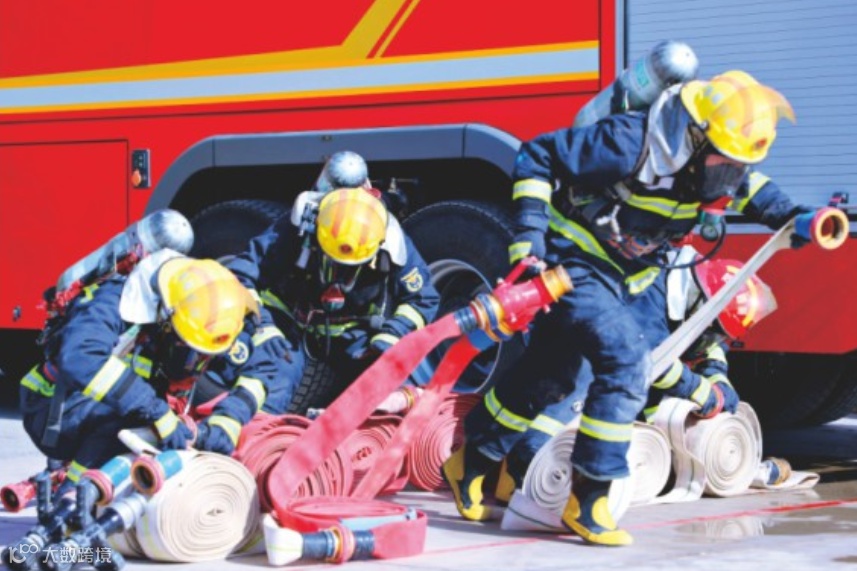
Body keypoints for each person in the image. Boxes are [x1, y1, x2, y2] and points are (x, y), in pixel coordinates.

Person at [443, 69, 822, 546]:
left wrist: (794, 217)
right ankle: (590, 497)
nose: (730, 176)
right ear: (695, 138)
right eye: (724, 163)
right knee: (626, 364)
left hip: (627, 277)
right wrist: (529, 235)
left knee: (551, 374)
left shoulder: (716, 164)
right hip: (574, 262)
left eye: (737, 166)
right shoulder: (627, 143)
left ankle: (471, 461)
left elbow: (751, 187)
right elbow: (537, 156)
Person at [492, 249, 778, 502]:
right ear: (700, 304)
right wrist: (703, 393)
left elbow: (708, 344)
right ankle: (523, 465)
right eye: (714, 330)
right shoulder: (651, 298)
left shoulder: (691, 299)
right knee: (584, 387)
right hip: (571, 355)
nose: (713, 339)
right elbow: (650, 361)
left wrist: (717, 376)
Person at [19, 251, 288, 490]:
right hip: (53, 410)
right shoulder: (118, 298)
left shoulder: (205, 310)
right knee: (131, 425)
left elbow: (265, 367)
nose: (198, 361)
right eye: (190, 348)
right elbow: (80, 358)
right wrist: (156, 412)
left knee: (148, 429)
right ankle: (75, 496)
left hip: (114, 407)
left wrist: (229, 421)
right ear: (166, 320)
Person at [225, 152, 441, 411]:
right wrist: (263, 327)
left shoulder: (387, 235)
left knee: (386, 389)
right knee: (269, 381)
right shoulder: (300, 225)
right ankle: (258, 431)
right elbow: (239, 276)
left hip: (355, 336)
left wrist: (392, 335)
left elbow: (423, 298)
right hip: (291, 325)